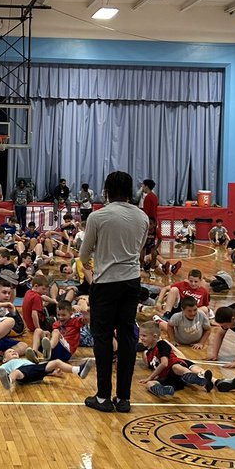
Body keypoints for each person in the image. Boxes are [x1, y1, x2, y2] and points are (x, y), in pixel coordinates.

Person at [78, 171, 149, 413]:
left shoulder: (98, 217)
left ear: (106, 190)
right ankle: (124, 398)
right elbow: (139, 250)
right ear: (130, 192)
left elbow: (84, 255)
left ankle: (102, 397)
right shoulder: (142, 217)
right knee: (128, 336)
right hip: (132, 282)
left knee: (103, 337)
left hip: (106, 282)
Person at [0, 346, 93, 391]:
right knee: (16, 373)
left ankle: (78, 370)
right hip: (23, 373)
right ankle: (9, 381)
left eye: (15, 351)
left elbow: (36, 370)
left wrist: (53, 373)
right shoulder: (7, 365)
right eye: (10, 352)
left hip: (34, 369)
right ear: (5, 359)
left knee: (56, 362)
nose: (14, 352)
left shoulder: (24, 360)